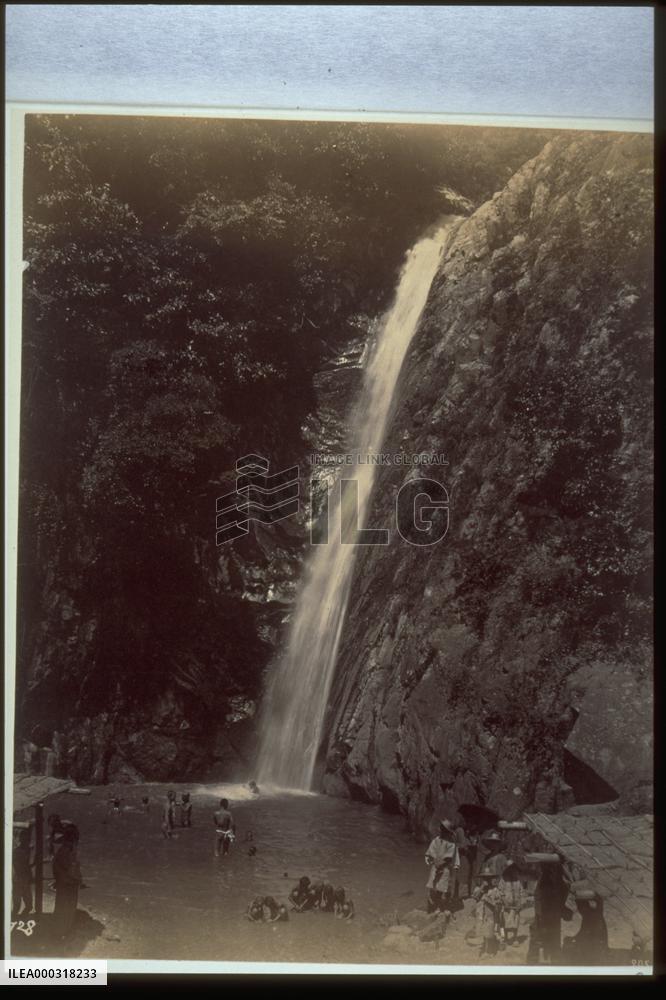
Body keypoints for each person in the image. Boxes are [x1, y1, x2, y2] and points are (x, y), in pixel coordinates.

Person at [526, 860, 571, 964]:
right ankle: (553, 960)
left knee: (537, 939)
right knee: (552, 938)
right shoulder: (559, 882)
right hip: (551, 916)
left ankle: (534, 961)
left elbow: (539, 899)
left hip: (544, 916)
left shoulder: (547, 881)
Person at [52, 826, 82, 940]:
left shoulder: (62, 850)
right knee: (68, 909)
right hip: (68, 884)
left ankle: (59, 933)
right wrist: (77, 880)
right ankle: (62, 933)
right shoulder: (69, 851)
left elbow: (57, 867)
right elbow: (73, 869)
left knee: (61, 908)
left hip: (64, 883)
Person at [425, 819, 461, 913]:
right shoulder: (436, 840)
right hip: (436, 865)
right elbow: (430, 852)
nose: (439, 829)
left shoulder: (451, 844)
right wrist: (430, 858)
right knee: (433, 885)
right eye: (440, 828)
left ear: (446, 831)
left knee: (443, 887)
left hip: (445, 867)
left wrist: (440, 865)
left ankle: (441, 906)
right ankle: (434, 905)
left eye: (442, 828)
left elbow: (448, 858)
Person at [562, 892, 609, 965]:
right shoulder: (590, 915)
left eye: (580, 908)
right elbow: (583, 933)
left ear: (584, 907)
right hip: (595, 946)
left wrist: (573, 939)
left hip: (596, 948)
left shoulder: (592, 915)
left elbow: (585, 934)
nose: (579, 910)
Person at [473, 866, 504, 957]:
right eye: (484, 878)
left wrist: (492, 902)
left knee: (489, 932)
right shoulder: (479, 888)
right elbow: (475, 896)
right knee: (484, 932)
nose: (486, 880)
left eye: (488, 878)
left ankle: (489, 951)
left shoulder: (494, 889)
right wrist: (482, 887)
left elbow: (499, 902)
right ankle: (487, 948)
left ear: (491, 879)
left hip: (490, 914)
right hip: (480, 914)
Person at [498, 862, 524, 946]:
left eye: (513, 869)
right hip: (506, 905)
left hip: (516, 905)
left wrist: (520, 902)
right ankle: (505, 937)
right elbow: (500, 892)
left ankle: (515, 938)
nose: (511, 871)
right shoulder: (503, 880)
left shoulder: (518, 880)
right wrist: (504, 901)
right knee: (505, 921)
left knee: (516, 921)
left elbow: (521, 892)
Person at [12, 829, 33, 918]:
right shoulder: (17, 851)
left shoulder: (25, 850)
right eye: (25, 839)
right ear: (21, 839)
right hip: (19, 880)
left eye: (28, 839)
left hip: (23, 879)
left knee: (28, 906)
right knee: (17, 906)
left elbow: (25, 866)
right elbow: (21, 867)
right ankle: (13, 923)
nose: (27, 842)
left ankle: (19, 921)